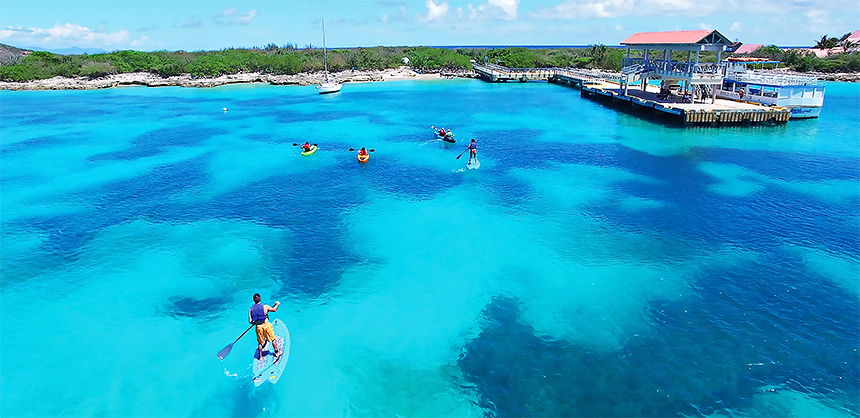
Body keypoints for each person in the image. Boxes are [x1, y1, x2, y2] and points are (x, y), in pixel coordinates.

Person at [248, 293, 280, 364]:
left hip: (258, 327)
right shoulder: (265, 307)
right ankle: (277, 352)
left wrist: (254, 323)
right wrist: (277, 304)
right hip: (266, 326)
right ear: (260, 299)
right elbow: (274, 310)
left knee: (260, 343)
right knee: (273, 339)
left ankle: (260, 357)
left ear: (254, 300)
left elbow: (250, 321)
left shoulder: (250, 310)